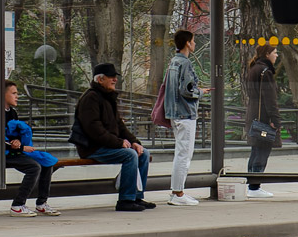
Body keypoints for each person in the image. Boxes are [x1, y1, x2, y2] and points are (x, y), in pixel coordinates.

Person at [73, 62, 156, 211]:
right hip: (93, 147)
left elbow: (119, 126)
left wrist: (134, 142)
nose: (115, 80)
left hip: (107, 144)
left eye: (114, 77)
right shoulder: (90, 98)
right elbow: (94, 130)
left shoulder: (108, 97)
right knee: (130, 155)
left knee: (142, 153)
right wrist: (118, 143)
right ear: (100, 80)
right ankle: (125, 200)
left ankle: (137, 196)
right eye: (111, 77)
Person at [163, 28, 207, 206]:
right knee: (184, 154)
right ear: (187, 43)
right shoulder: (185, 63)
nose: (195, 44)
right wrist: (201, 92)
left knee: (180, 153)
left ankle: (177, 191)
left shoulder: (173, 62)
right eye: (194, 41)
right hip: (185, 113)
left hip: (174, 113)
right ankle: (178, 193)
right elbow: (187, 90)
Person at [3, 80, 60, 217]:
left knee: (46, 163)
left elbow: (12, 135)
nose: (17, 96)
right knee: (34, 167)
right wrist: (20, 146)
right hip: (1, 154)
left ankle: (41, 203)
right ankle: (18, 205)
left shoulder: (12, 112)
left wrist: (17, 142)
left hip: (14, 151)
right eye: (14, 93)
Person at [243, 44, 282, 198]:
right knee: (263, 150)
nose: (276, 55)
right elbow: (270, 98)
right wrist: (275, 119)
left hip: (254, 114)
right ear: (267, 54)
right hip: (264, 118)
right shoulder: (265, 72)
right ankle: (254, 186)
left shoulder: (254, 69)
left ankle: (252, 184)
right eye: (275, 52)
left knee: (256, 150)